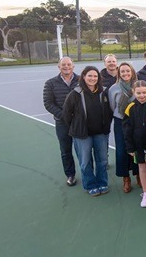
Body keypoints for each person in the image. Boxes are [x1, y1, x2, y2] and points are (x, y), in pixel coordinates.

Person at [62, 66, 113, 196]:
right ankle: (90, 185)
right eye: (89, 76)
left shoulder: (104, 92)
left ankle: (102, 183)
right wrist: (77, 127)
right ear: (83, 77)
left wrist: (105, 125)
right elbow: (67, 114)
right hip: (82, 135)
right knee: (85, 162)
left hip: (100, 133)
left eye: (95, 76)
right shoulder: (75, 94)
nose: (92, 78)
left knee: (102, 161)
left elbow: (109, 111)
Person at [42, 56, 79, 186]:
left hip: (79, 122)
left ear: (73, 66)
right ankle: (70, 175)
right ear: (59, 67)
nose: (66, 67)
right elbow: (48, 103)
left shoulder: (82, 80)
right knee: (65, 150)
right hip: (62, 122)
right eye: (63, 65)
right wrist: (64, 115)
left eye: (69, 64)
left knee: (83, 149)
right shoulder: (50, 83)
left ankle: (87, 174)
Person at [123, 81, 146, 208]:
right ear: (133, 92)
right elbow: (126, 129)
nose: (142, 95)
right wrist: (129, 147)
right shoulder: (130, 107)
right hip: (138, 145)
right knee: (142, 168)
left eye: (144, 92)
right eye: (138, 93)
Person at [108, 61, 138, 193]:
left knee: (137, 148)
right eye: (123, 72)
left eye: (128, 71)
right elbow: (112, 106)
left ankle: (138, 174)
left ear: (132, 72)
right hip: (120, 121)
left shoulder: (138, 86)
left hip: (136, 121)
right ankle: (126, 178)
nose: (125, 73)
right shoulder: (113, 88)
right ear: (119, 74)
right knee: (121, 150)